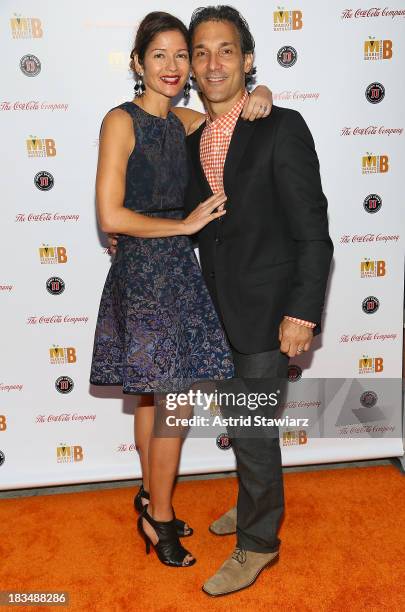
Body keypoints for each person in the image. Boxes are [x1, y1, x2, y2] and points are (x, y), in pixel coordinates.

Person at [89, 11, 273, 568]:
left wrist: (261, 88)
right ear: (137, 63)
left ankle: (151, 497)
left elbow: (234, 115)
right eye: (159, 56)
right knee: (170, 401)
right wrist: (184, 226)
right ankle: (160, 516)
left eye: (179, 56)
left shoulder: (185, 121)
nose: (172, 67)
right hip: (145, 276)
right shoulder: (121, 121)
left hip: (178, 274)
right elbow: (110, 214)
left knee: (153, 395)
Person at [183, 5, 334, 596]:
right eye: (201, 52)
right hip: (217, 309)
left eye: (226, 50)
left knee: (252, 428)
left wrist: (301, 312)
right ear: (192, 67)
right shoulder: (194, 132)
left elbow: (313, 229)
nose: (212, 61)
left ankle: (258, 543)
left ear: (247, 61)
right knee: (243, 423)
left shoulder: (282, 125)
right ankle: (251, 509)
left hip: (272, 311)